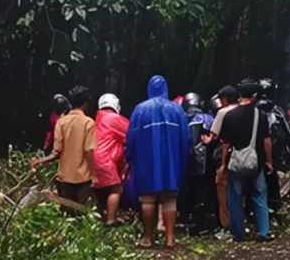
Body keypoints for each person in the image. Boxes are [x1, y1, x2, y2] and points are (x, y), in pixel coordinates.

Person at [126, 75, 191, 249]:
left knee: (147, 199)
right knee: (169, 199)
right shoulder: (177, 110)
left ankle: (148, 237)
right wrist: (183, 160)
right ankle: (170, 238)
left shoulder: (140, 110)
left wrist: (129, 156)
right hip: (172, 161)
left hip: (146, 160)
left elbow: (131, 136)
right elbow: (186, 138)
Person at [219, 79, 274, 242]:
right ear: (255, 96)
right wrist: (269, 161)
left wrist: (224, 164)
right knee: (259, 195)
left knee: (235, 197)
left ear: (239, 95)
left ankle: (239, 233)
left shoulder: (230, 115)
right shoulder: (261, 115)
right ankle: (264, 231)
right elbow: (266, 142)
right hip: (256, 161)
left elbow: (225, 144)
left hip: (236, 162)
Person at [32, 86, 97, 210]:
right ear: (85, 103)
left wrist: (39, 161)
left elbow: (56, 152)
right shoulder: (88, 123)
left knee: (65, 214)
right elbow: (89, 150)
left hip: (64, 178)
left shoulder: (61, 122)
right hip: (82, 178)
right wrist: (94, 174)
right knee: (80, 214)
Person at [256, 78, 290, 213]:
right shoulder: (277, 112)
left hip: (254, 155)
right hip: (276, 157)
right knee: (273, 187)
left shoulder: (251, 110)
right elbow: (288, 136)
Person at [179, 92, 218, 235]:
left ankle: (186, 220)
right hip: (205, 162)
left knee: (187, 191)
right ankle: (204, 223)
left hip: (185, 161)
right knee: (205, 192)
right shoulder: (208, 118)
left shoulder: (181, 119)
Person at [93, 93, 129, 225]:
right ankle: (111, 219)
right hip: (105, 159)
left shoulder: (97, 118)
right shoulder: (114, 118)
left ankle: (99, 217)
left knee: (97, 189)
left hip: (92, 158)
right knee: (116, 189)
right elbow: (132, 133)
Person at [210, 86, 239, 230]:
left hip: (226, 157)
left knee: (223, 192)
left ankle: (227, 225)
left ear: (225, 99)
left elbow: (213, 136)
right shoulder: (243, 110)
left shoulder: (223, 112)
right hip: (244, 158)